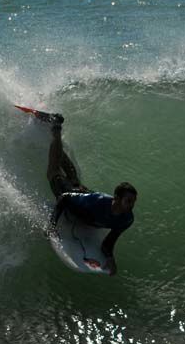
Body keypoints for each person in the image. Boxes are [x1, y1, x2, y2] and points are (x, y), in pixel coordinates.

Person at [45, 114, 136, 276]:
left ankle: (56, 146)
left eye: (133, 202)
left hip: (82, 193)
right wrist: (52, 226)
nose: (131, 206)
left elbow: (109, 243)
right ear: (116, 198)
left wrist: (110, 257)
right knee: (54, 170)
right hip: (71, 194)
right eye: (128, 201)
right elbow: (64, 198)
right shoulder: (99, 202)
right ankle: (56, 127)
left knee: (72, 175)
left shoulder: (126, 219)